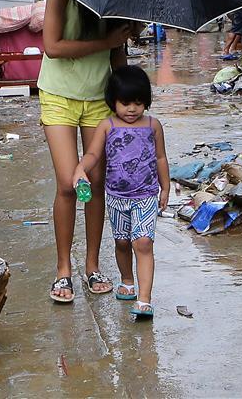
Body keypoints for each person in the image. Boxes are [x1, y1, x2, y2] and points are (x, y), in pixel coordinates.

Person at [39, 0, 132, 303]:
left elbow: (117, 58)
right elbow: (52, 46)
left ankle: (92, 265)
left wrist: (129, 104)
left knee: (95, 183)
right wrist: (106, 42)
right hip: (58, 95)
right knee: (68, 184)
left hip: (98, 97)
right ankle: (63, 268)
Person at [73, 65, 169, 319]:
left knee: (143, 242)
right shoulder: (107, 126)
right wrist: (80, 169)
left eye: (138, 103)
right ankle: (127, 280)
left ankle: (145, 299)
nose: (132, 109)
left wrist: (165, 187)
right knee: (122, 242)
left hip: (145, 195)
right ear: (113, 101)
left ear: (146, 102)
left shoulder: (153, 125)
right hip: (116, 197)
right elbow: (93, 154)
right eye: (125, 103)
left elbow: (160, 158)